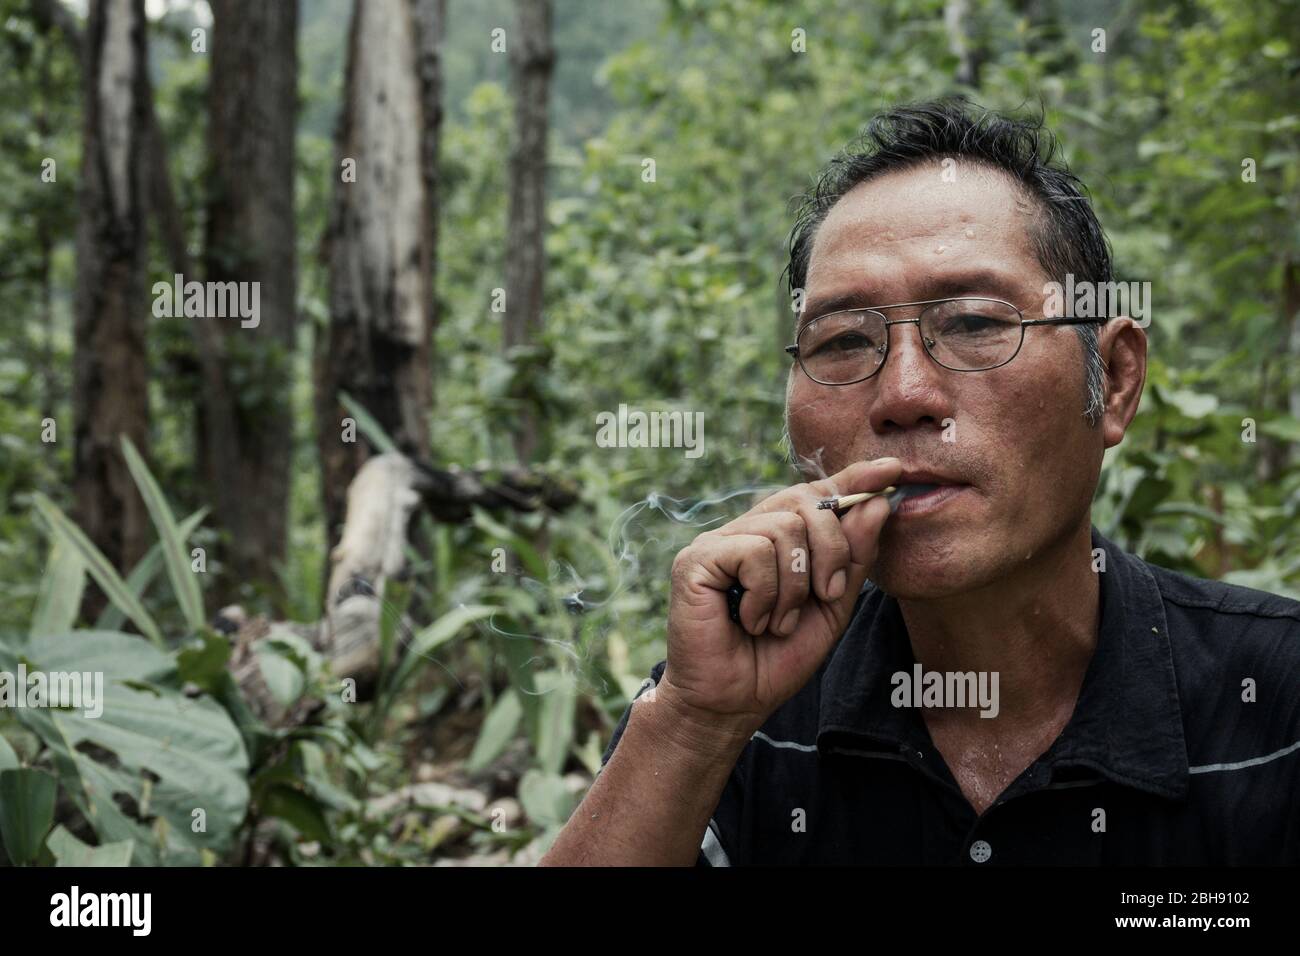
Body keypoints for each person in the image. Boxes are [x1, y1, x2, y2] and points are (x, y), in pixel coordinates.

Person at [540, 100, 1300, 866]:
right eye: (843, 340)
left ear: (1116, 381)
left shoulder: (1276, 701)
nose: (905, 395)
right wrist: (692, 727)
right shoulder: (741, 709)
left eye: (973, 323)